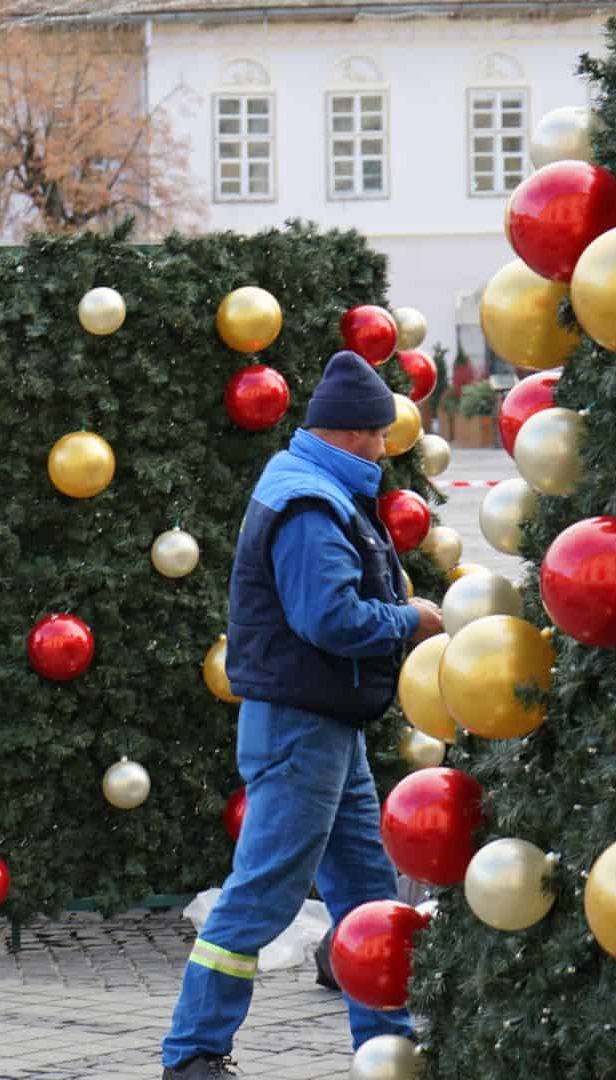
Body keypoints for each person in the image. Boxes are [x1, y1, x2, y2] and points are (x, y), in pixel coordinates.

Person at [160, 351, 445, 1078]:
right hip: (298, 728)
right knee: (260, 896)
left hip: (323, 727)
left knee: (367, 896)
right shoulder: (311, 504)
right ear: (356, 435)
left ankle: (386, 1046)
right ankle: (193, 1056)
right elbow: (331, 619)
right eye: (382, 437)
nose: (387, 450)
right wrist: (409, 621)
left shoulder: (313, 487)